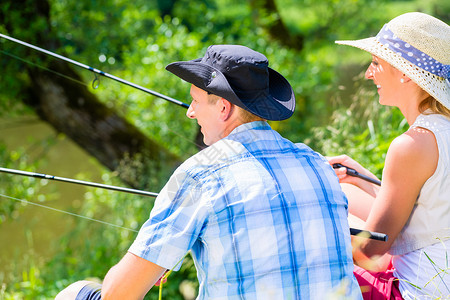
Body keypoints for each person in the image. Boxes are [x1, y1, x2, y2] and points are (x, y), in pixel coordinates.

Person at [56, 45, 362, 299]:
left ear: (224, 109)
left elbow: (117, 295)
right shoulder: (317, 165)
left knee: (79, 293)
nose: (190, 111)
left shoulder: (201, 175)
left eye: (195, 100)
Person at [327, 12, 450, 300]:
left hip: (422, 291)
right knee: (345, 186)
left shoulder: (411, 145)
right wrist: (362, 176)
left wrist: (317, 222)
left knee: (316, 272)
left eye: (376, 63)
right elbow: (425, 209)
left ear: (405, 72)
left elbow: (371, 250)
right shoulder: (439, 130)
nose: (369, 74)